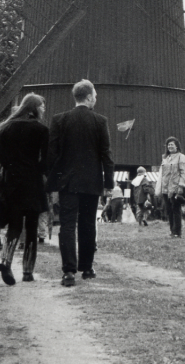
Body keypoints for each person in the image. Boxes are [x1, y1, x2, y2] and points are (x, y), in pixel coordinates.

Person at [47, 80, 115, 287]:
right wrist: (108, 183)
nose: (96, 98)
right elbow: (106, 154)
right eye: (94, 95)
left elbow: (52, 155)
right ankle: (86, 267)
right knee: (87, 224)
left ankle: (68, 271)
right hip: (91, 182)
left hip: (68, 183)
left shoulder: (59, 120)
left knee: (67, 225)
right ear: (88, 97)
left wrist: (53, 184)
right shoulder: (99, 121)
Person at [0, 93, 50, 285]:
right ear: (34, 107)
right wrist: (38, 170)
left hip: (12, 182)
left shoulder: (7, 128)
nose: (43, 109)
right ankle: (27, 271)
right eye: (42, 106)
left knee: (15, 224)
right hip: (32, 182)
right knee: (32, 226)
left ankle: (6, 260)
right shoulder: (41, 130)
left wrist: (13, 167)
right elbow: (46, 159)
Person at [160, 137, 185, 238]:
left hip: (176, 188)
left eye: (172, 144)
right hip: (165, 189)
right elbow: (162, 174)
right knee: (169, 211)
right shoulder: (165, 158)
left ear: (176, 146)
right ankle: (172, 231)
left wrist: (181, 186)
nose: (170, 146)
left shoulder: (181, 157)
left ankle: (177, 232)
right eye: (168, 145)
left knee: (176, 210)